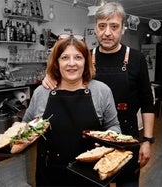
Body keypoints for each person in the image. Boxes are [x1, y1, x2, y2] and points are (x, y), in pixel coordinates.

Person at [42, 2, 155, 186]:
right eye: (102, 26)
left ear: (123, 29)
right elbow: (65, 69)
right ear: (95, 28)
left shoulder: (136, 59)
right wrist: (50, 75)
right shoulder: (86, 56)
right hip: (90, 143)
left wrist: (147, 141)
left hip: (126, 139)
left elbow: (147, 103)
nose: (107, 32)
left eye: (114, 26)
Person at [22, 36, 121, 186]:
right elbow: (25, 127)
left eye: (78, 57)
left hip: (91, 173)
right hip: (50, 174)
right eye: (65, 57)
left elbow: (114, 126)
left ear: (86, 62)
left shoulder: (101, 91)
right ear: (57, 62)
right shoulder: (42, 92)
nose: (72, 63)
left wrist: (107, 142)